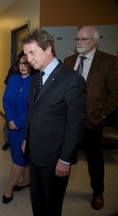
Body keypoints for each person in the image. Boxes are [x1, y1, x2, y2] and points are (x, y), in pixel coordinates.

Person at [22, 29, 87, 216]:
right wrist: (27, 138)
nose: (28, 59)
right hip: (34, 154)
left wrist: (65, 159)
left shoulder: (72, 80)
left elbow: (76, 125)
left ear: (48, 48)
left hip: (55, 158)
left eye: (32, 52)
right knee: (38, 202)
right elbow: (32, 112)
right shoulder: (35, 78)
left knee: (52, 206)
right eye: (26, 54)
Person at [64, 25, 118, 210]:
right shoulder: (69, 61)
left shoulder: (108, 62)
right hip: (69, 121)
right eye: (77, 39)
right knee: (65, 157)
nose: (79, 42)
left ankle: (98, 191)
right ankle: (59, 190)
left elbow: (114, 93)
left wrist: (101, 115)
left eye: (83, 39)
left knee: (94, 159)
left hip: (92, 122)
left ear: (94, 41)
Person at [2, 51, 32, 204]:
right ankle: (26, 180)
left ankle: (9, 189)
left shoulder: (36, 81)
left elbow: (33, 107)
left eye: (27, 63)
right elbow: (5, 100)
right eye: (21, 63)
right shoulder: (13, 79)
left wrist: (18, 122)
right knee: (21, 155)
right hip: (11, 125)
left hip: (26, 127)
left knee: (18, 159)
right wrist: (11, 119)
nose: (23, 66)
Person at [2, 53, 22, 151]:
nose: (22, 66)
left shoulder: (33, 77)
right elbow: (6, 81)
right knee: (8, 122)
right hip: (11, 100)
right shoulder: (14, 69)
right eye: (20, 63)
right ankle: (7, 142)